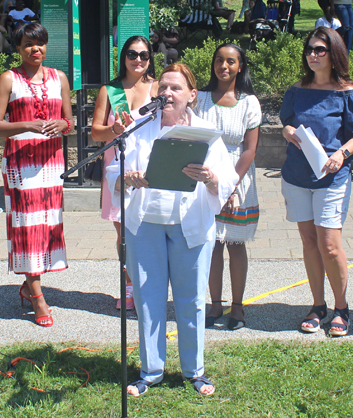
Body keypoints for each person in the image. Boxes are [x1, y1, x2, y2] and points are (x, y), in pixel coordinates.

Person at [106, 63, 238, 396]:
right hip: (144, 224)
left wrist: (210, 178)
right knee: (148, 299)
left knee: (191, 298)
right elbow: (112, 171)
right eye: (162, 87)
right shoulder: (138, 126)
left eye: (175, 88)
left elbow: (227, 178)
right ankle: (151, 371)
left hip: (189, 225)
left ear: (192, 95)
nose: (167, 93)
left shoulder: (206, 132)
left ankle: (195, 371)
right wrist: (127, 178)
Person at [280, 27, 353, 337]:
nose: (313, 55)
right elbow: (287, 123)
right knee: (308, 242)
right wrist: (287, 132)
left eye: (320, 50)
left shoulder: (347, 91)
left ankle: (341, 308)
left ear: (334, 54)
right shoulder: (296, 89)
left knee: (329, 246)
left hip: (332, 178)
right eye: (309, 50)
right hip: (296, 177)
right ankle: (318, 305)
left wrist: (342, 154)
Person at [0, 23, 73, 327]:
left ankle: (29, 284)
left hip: (51, 164)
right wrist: (25, 125)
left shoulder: (59, 77)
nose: (36, 50)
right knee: (26, 229)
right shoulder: (8, 79)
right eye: (28, 45)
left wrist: (63, 125)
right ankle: (37, 296)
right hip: (21, 164)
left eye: (41, 44)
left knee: (46, 226)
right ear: (18, 47)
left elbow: (68, 120)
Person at [195, 43, 261, 331]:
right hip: (206, 175)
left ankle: (237, 306)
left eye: (231, 61)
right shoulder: (201, 99)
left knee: (234, 244)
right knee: (212, 245)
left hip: (238, 177)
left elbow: (249, 150)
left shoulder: (249, 102)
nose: (224, 66)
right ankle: (215, 304)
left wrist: (230, 186)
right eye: (219, 60)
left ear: (240, 66)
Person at [92, 35, 159, 310]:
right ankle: (129, 285)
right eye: (132, 54)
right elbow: (96, 132)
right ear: (123, 57)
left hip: (149, 169)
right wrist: (113, 131)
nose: (138, 60)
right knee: (124, 234)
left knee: (151, 229)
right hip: (117, 170)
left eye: (144, 55)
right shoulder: (110, 90)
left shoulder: (158, 87)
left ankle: (151, 284)